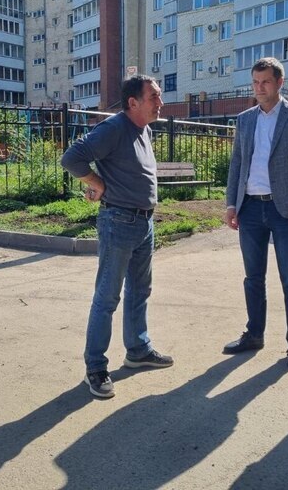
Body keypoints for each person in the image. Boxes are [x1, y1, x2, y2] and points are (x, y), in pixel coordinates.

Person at [61, 75, 173, 399]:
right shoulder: (114, 127)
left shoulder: (144, 129)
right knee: (108, 297)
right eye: (154, 97)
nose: (160, 102)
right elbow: (72, 158)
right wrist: (97, 183)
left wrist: (103, 183)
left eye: (159, 96)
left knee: (140, 290)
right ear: (133, 102)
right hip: (119, 222)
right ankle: (95, 367)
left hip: (144, 223)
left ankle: (138, 350)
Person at [223, 57, 288, 371]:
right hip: (250, 207)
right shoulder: (245, 119)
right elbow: (237, 164)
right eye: (255, 82)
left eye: (265, 81)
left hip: (285, 209)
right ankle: (254, 334)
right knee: (253, 277)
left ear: (279, 82)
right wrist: (231, 204)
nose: (259, 88)